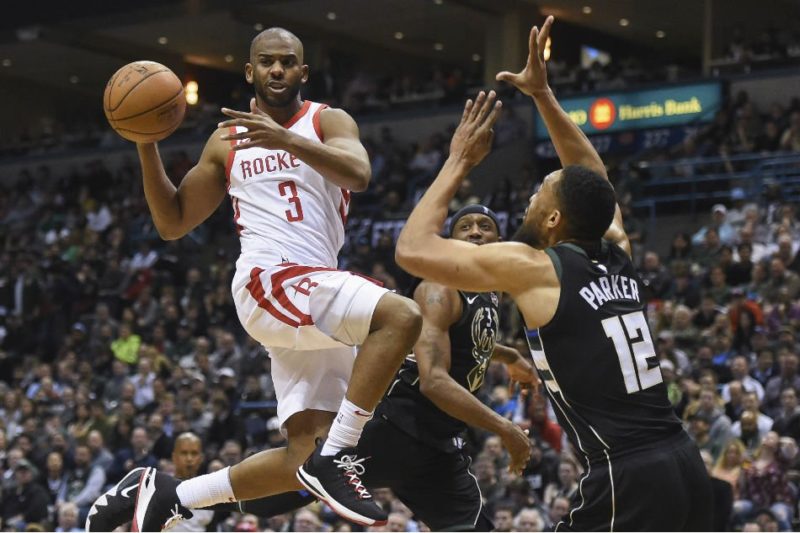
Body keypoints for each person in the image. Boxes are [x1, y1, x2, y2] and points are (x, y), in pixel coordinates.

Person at [87, 27, 422, 531]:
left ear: (303, 72)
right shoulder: (226, 139)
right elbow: (173, 222)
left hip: (314, 287)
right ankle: (336, 458)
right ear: (250, 71)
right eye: (267, 62)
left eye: (287, 61)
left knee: (304, 455)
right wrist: (146, 144)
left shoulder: (327, 120)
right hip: (269, 280)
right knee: (401, 316)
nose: (277, 69)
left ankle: (170, 494)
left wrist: (286, 139)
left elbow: (358, 174)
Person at [394, 17, 712, 531]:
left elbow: (411, 250)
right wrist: (542, 95)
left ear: (553, 220)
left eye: (540, 192)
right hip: (682, 459)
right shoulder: (617, 249)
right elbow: (595, 180)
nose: (530, 196)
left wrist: (457, 162)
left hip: (627, 474)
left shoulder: (536, 268)